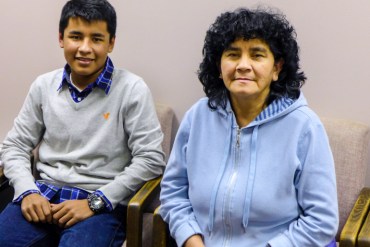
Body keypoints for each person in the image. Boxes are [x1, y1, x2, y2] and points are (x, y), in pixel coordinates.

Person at [159, 7, 338, 247]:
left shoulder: (305, 127)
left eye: (257, 55)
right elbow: (173, 194)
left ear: (277, 68)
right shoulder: (198, 117)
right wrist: (191, 239)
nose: (243, 65)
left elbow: (321, 221)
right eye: (233, 54)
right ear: (219, 67)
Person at [0, 0, 165, 246]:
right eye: (76, 36)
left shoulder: (132, 89)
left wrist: (95, 202)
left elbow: (151, 159)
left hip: (99, 205)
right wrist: (27, 191)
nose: (85, 48)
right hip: (43, 196)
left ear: (111, 43)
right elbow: (14, 146)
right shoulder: (43, 86)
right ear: (61, 38)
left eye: (96, 39)